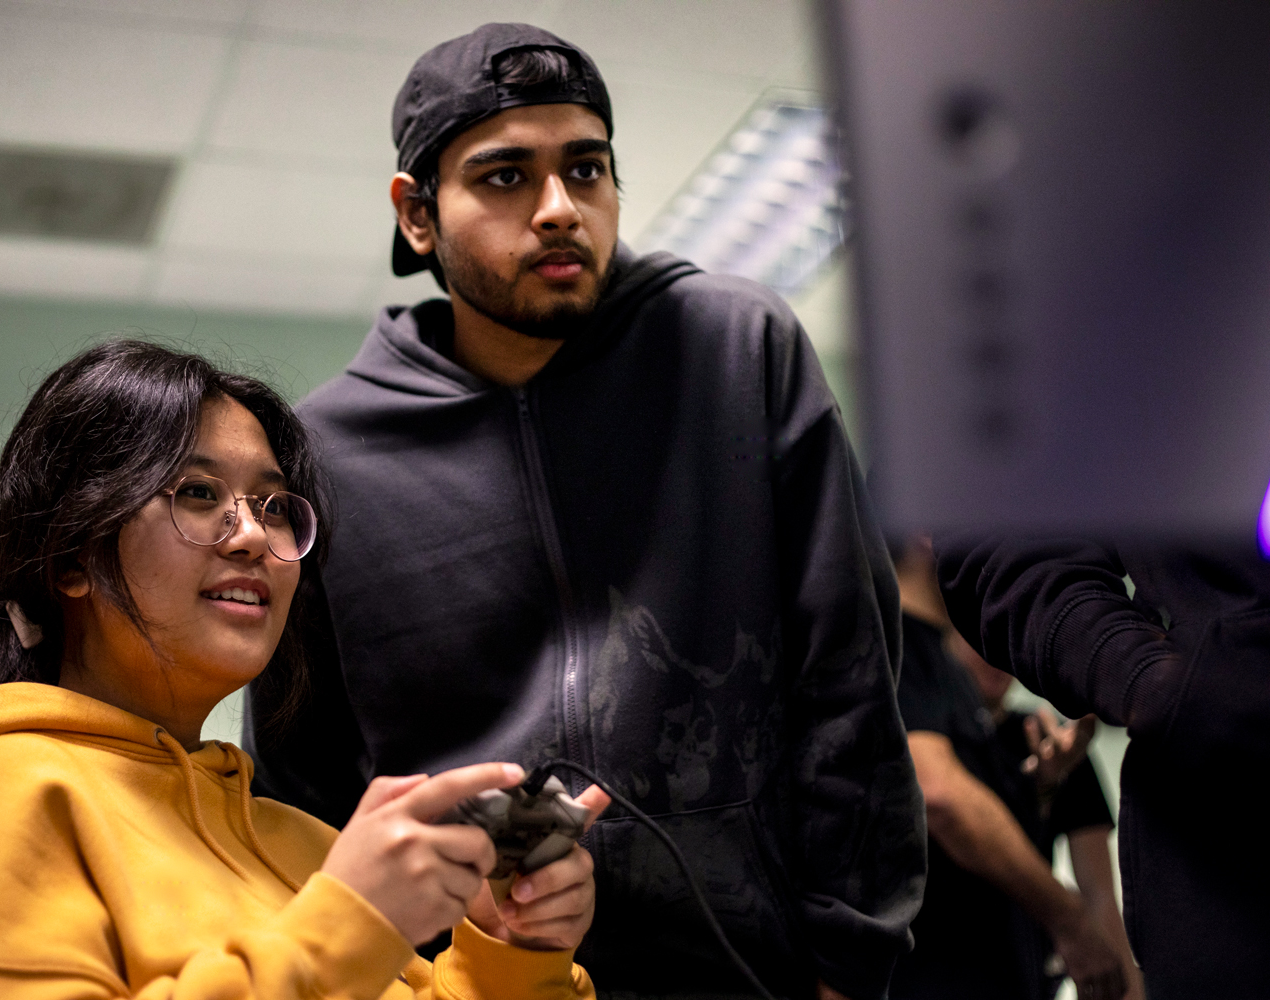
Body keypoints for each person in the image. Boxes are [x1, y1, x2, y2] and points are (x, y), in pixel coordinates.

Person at [243, 24, 925, 1000]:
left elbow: (850, 682)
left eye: (587, 169)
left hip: (753, 976)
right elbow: (300, 791)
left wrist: (847, 968)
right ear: (417, 215)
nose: (560, 209)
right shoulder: (324, 456)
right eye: (506, 177)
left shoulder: (739, 352)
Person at [0, 340, 609, 1000]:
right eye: (199, 493)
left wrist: (509, 951)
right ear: (72, 555)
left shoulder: (303, 844)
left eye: (276, 506)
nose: (253, 536)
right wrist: (343, 929)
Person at [935, 537, 1270, 999]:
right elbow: (941, 797)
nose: (992, 666)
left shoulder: (1055, 741)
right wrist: (1139, 674)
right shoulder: (925, 716)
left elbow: (1099, 892)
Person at [888, 538, 1140, 1000]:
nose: (993, 655)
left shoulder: (1023, 730)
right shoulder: (901, 655)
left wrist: (1045, 791)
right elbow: (942, 796)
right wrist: (1071, 920)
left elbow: (1099, 891)